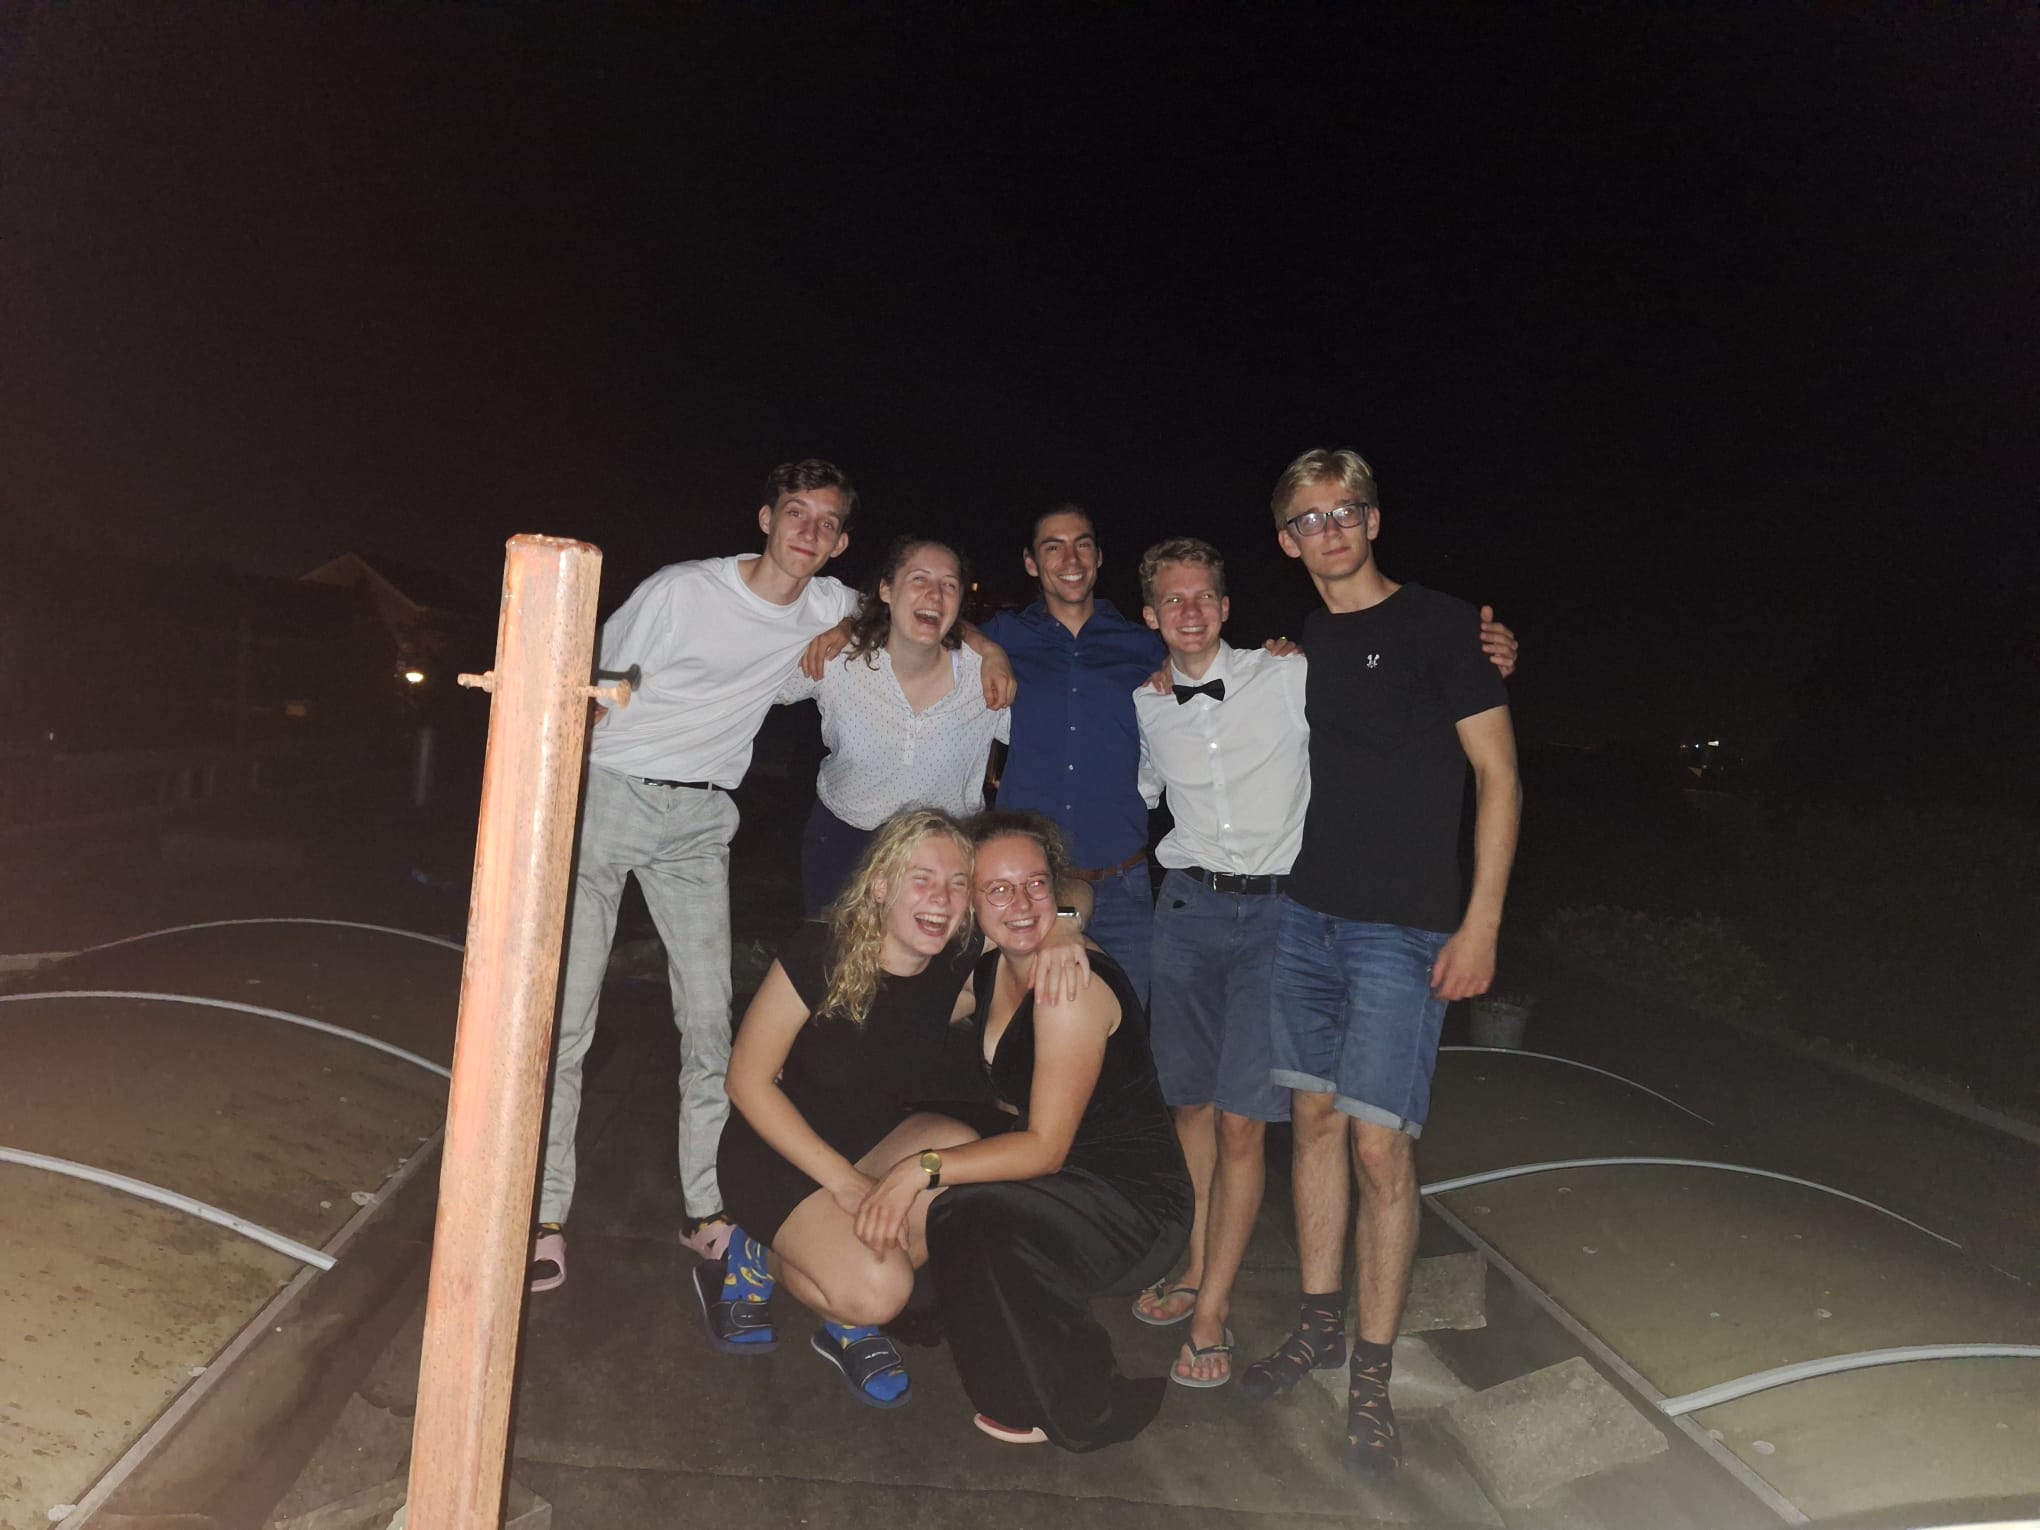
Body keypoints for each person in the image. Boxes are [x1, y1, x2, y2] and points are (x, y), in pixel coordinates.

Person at [530, 461, 1014, 1291]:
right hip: (609, 795)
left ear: (842, 544)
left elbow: (922, 607)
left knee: (710, 1024)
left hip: (700, 819)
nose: (809, 532)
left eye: (827, 522)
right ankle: (543, 1214)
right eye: (796, 513)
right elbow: (588, 682)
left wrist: (989, 642)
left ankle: (707, 1209)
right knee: (567, 1019)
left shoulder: (831, 608)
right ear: (766, 517)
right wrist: (553, 794)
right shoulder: (681, 591)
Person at [1127, 538, 1518, 1390]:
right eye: (1172, 600)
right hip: (1187, 912)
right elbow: (1144, 795)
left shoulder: (1287, 672)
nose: (1190, 611)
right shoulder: (1146, 705)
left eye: (1204, 596)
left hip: (1281, 910)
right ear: (1151, 616)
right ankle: (1196, 1264)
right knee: (1190, 1107)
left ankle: (1212, 1309)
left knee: (1248, 1122)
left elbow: (1401, 685)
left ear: (1227, 608)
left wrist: (1483, 651)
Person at [1246, 449, 1520, 1478]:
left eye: (1345, 510)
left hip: (1404, 932)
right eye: (1308, 519)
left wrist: (1480, 923)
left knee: (1379, 1149)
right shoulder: (1304, 642)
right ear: (1287, 541)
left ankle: (1373, 1373)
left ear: (1373, 518)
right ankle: (1318, 1323)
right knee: (1313, 1123)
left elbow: (1499, 779)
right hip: (1305, 918)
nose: (1330, 530)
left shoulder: (1446, 627)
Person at [705, 808, 1091, 1406]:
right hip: (776, 1150)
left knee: (960, 1160)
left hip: (874, 1138)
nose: (941, 898)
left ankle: (842, 1293)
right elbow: (747, 1082)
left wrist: (1063, 926)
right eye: (922, 879)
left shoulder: (957, 956)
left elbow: (1066, 889)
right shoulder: (823, 950)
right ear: (881, 885)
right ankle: (761, 1255)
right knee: (883, 1291)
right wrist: (845, 1184)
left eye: (957, 883)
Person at [875, 810, 1192, 1450]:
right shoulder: (995, 961)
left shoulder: (1070, 987)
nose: (1021, 904)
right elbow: (906, 1018)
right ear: (971, 899)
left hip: (1131, 1203)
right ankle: (939, 1300)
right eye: (997, 889)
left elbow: (1044, 1149)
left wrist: (921, 1170)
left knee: (965, 1206)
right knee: (928, 1134)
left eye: (1036, 885)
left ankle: (1070, 1398)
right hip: (1066, 1167)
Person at [979, 506, 1167, 1003]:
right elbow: (937, 632)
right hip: (1027, 885)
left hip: (1121, 882)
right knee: (1025, 1026)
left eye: (1082, 544)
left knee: (1127, 1028)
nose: (1071, 558)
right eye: (1053, 547)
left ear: (1099, 556)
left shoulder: (1141, 644)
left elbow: (1207, 671)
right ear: (1031, 562)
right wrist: (990, 651)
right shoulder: (1004, 635)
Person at [777, 536, 1009, 914]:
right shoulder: (841, 659)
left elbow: (1044, 738)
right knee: (832, 950)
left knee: (931, 953)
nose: (935, 595)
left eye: (949, 585)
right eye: (919, 579)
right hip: (844, 844)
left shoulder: (984, 677)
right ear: (886, 590)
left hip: (946, 854)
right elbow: (756, 683)